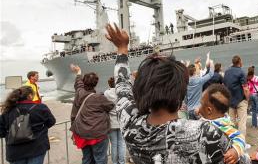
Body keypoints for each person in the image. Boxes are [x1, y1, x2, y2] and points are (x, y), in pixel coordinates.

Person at [105, 23, 250, 164]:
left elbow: (122, 86)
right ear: (181, 93)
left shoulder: (130, 126)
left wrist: (122, 49)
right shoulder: (206, 133)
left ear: (141, 90)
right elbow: (239, 160)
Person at [69, 65, 114, 164]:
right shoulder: (99, 98)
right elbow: (111, 106)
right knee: (100, 159)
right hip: (98, 134)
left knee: (86, 158)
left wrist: (79, 72)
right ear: (96, 83)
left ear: (84, 82)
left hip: (81, 133)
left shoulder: (79, 93)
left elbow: (78, 84)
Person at [0, 86, 56, 164]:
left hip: (15, 151)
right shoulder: (41, 108)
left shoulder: (8, 110)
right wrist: (40, 129)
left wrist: (14, 132)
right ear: (29, 96)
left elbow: (1, 132)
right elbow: (51, 122)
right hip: (37, 147)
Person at [198, 84, 250, 164]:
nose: (199, 107)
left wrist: (235, 151)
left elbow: (240, 137)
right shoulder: (205, 118)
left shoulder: (223, 125)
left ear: (209, 110)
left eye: (201, 104)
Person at [224, 55, 249, 138]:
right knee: (242, 123)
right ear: (239, 62)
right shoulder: (241, 72)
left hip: (230, 101)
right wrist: (247, 99)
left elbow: (225, 85)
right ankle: (241, 144)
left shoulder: (227, 72)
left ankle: (232, 141)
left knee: (231, 122)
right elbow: (245, 88)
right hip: (240, 100)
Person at [104, 77, 126, 164]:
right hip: (121, 121)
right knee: (122, 143)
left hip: (111, 122)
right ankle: (121, 162)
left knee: (114, 144)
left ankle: (114, 162)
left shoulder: (106, 93)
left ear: (109, 84)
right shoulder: (122, 93)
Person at [187, 53, 214, 120]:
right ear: (194, 72)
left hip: (189, 110)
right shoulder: (199, 80)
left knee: (192, 129)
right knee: (202, 127)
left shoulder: (185, 82)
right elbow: (211, 74)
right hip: (197, 109)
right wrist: (211, 63)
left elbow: (185, 98)